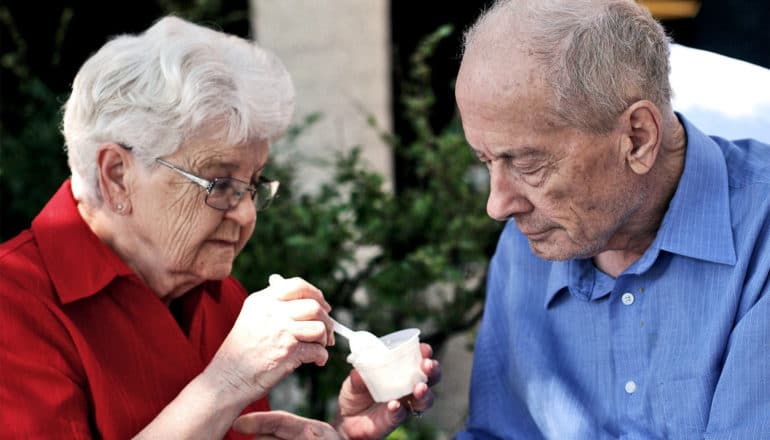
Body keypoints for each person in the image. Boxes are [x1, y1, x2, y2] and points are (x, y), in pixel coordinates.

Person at [0, 16, 439, 440]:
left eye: (253, 184)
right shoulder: (15, 301)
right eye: (220, 182)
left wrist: (341, 435)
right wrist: (226, 382)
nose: (247, 214)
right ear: (118, 175)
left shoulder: (219, 296)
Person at [454, 0, 770, 438]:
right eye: (485, 161)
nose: (498, 205)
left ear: (637, 138)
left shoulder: (761, 239)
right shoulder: (525, 242)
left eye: (526, 164)